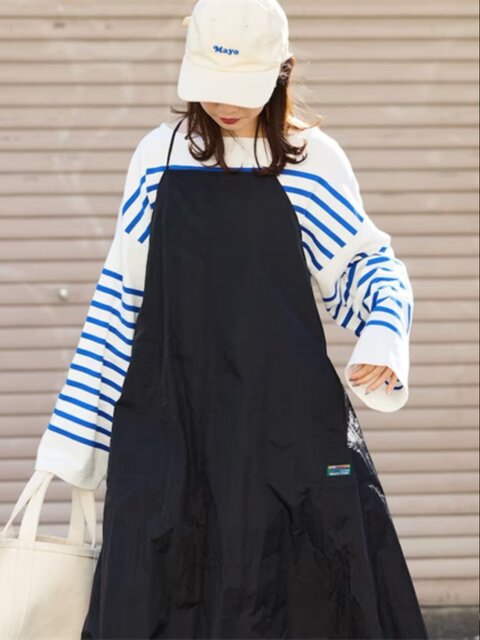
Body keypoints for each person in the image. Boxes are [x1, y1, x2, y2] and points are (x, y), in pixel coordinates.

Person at [33, 0, 429, 638]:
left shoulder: (311, 159)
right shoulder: (159, 156)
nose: (222, 104)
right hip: (170, 427)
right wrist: (73, 441)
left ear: (280, 73)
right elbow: (120, 300)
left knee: (297, 604)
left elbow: (365, 267)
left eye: (240, 86)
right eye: (210, 85)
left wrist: (383, 334)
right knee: (156, 597)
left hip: (285, 434)